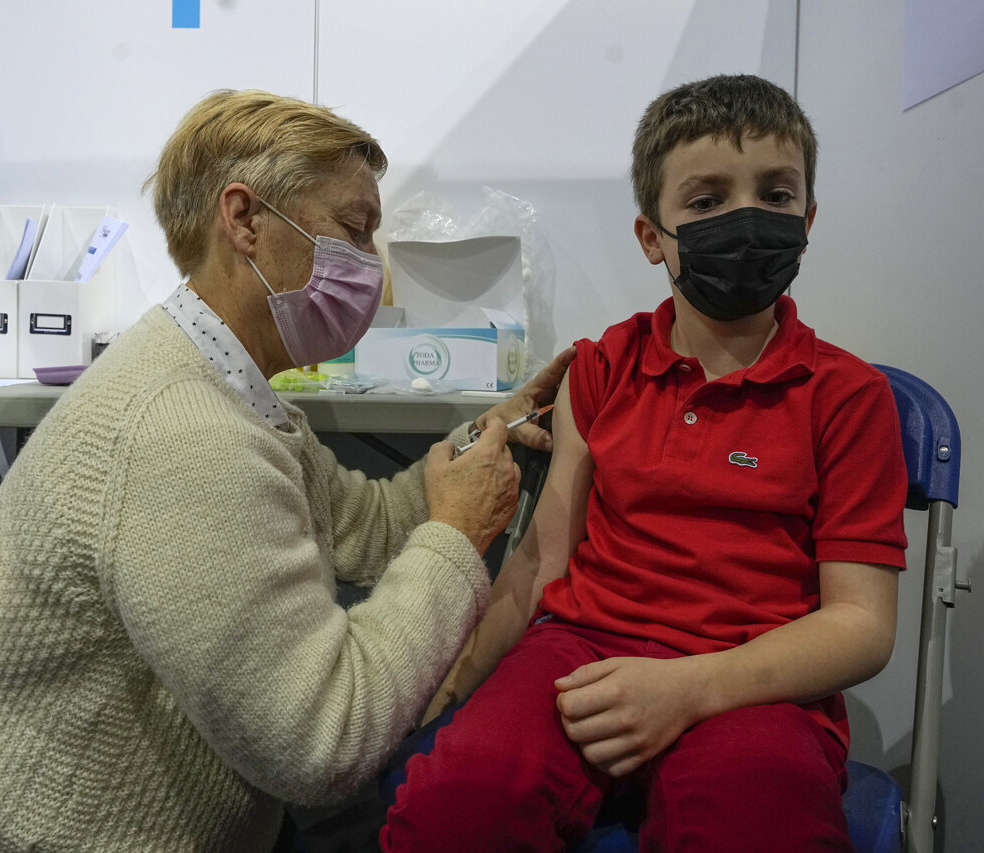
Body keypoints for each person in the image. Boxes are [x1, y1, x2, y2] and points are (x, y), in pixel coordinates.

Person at [0, 90, 574, 852]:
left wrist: (486, 437)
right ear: (246, 220)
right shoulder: (184, 432)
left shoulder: (229, 387)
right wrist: (455, 534)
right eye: (353, 232)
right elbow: (324, 740)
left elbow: (366, 521)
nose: (369, 268)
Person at [381, 74, 909, 852]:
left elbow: (862, 623)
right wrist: (451, 687)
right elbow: (539, 562)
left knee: (760, 828)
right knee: (455, 806)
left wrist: (694, 687)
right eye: (706, 201)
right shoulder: (601, 368)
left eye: (775, 193)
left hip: (753, 679)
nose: (746, 219)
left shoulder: (847, 396)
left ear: (809, 216)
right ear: (651, 237)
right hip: (580, 650)